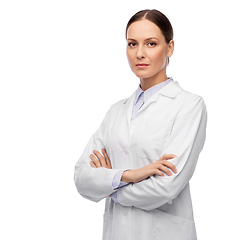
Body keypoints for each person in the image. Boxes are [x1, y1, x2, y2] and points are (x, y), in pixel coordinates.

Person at [74, 9, 207, 240]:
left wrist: (111, 186)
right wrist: (130, 175)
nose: (140, 53)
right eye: (132, 44)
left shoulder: (189, 106)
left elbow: (167, 187)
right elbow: (82, 178)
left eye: (151, 43)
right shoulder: (116, 111)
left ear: (170, 48)